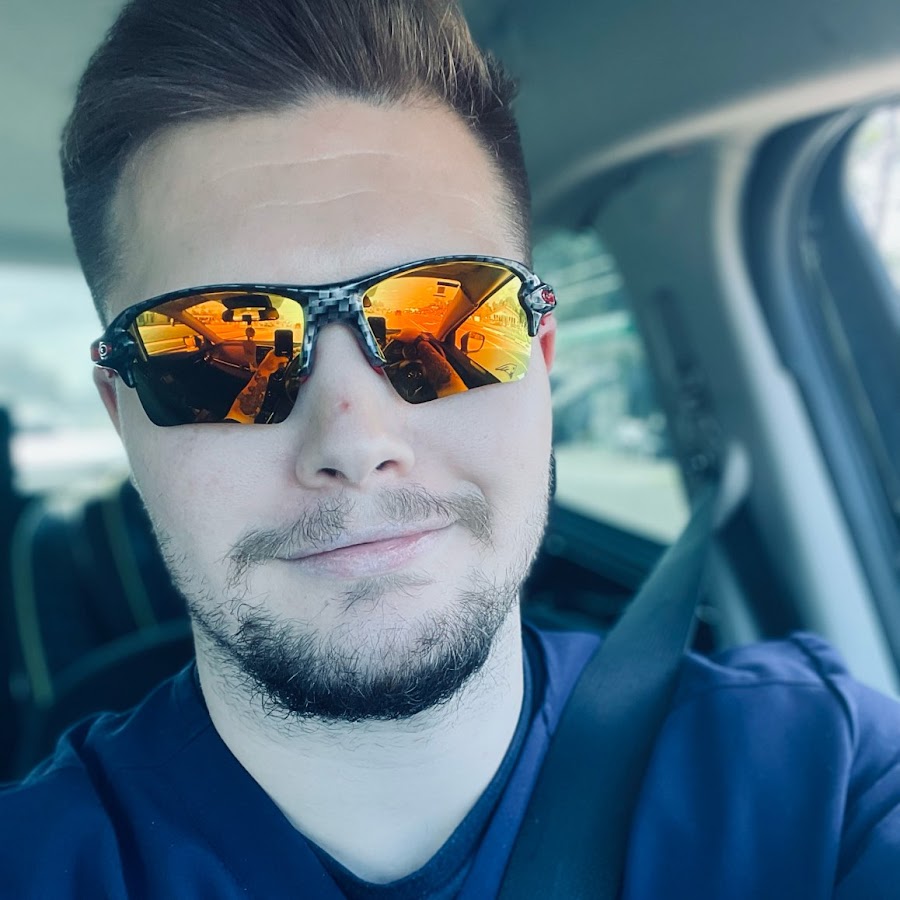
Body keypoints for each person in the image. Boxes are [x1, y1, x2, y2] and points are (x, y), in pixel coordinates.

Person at [1, 1, 898, 897]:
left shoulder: (821, 780)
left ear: (540, 361)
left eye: (445, 324)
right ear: (123, 414)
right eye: (216, 356)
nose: (356, 443)